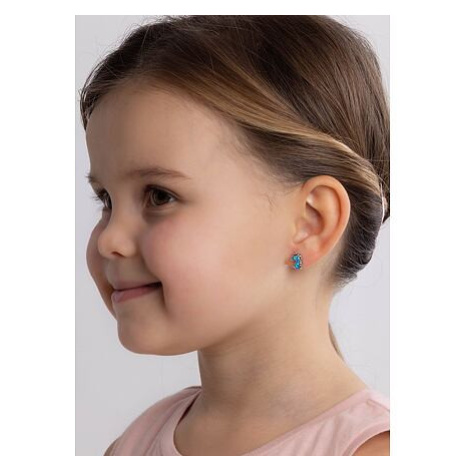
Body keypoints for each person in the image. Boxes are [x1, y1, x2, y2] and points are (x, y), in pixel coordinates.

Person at [80, 15, 390, 456]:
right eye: (106, 199)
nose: (109, 239)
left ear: (310, 222)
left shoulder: (372, 452)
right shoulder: (132, 445)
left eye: (159, 196)